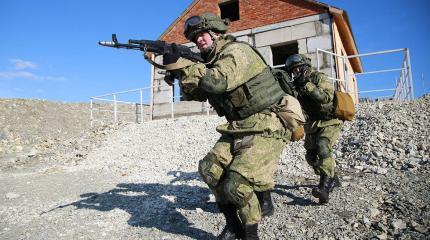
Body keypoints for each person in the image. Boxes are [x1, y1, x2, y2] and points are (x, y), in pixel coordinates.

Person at [162, 13, 298, 239]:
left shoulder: (237, 52)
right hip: (239, 125)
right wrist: (178, 71)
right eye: (194, 39)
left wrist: (186, 65)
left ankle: (250, 232)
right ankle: (234, 226)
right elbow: (196, 93)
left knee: (235, 185)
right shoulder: (210, 62)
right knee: (209, 170)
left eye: (202, 35)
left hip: (268, 122)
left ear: (215, 33)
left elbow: (217, 82)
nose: (198, 41)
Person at [284, 54, 342, 205]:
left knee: (323, 146)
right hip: (312, 124)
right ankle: (332, 176)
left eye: (298, 69)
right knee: (311, 157)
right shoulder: (297, 85)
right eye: (293, 70)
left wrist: (307, 85)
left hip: (329, 121)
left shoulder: (319, 78)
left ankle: (325, 187)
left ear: (305, 68)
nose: (296, 72)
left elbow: (326, 98)